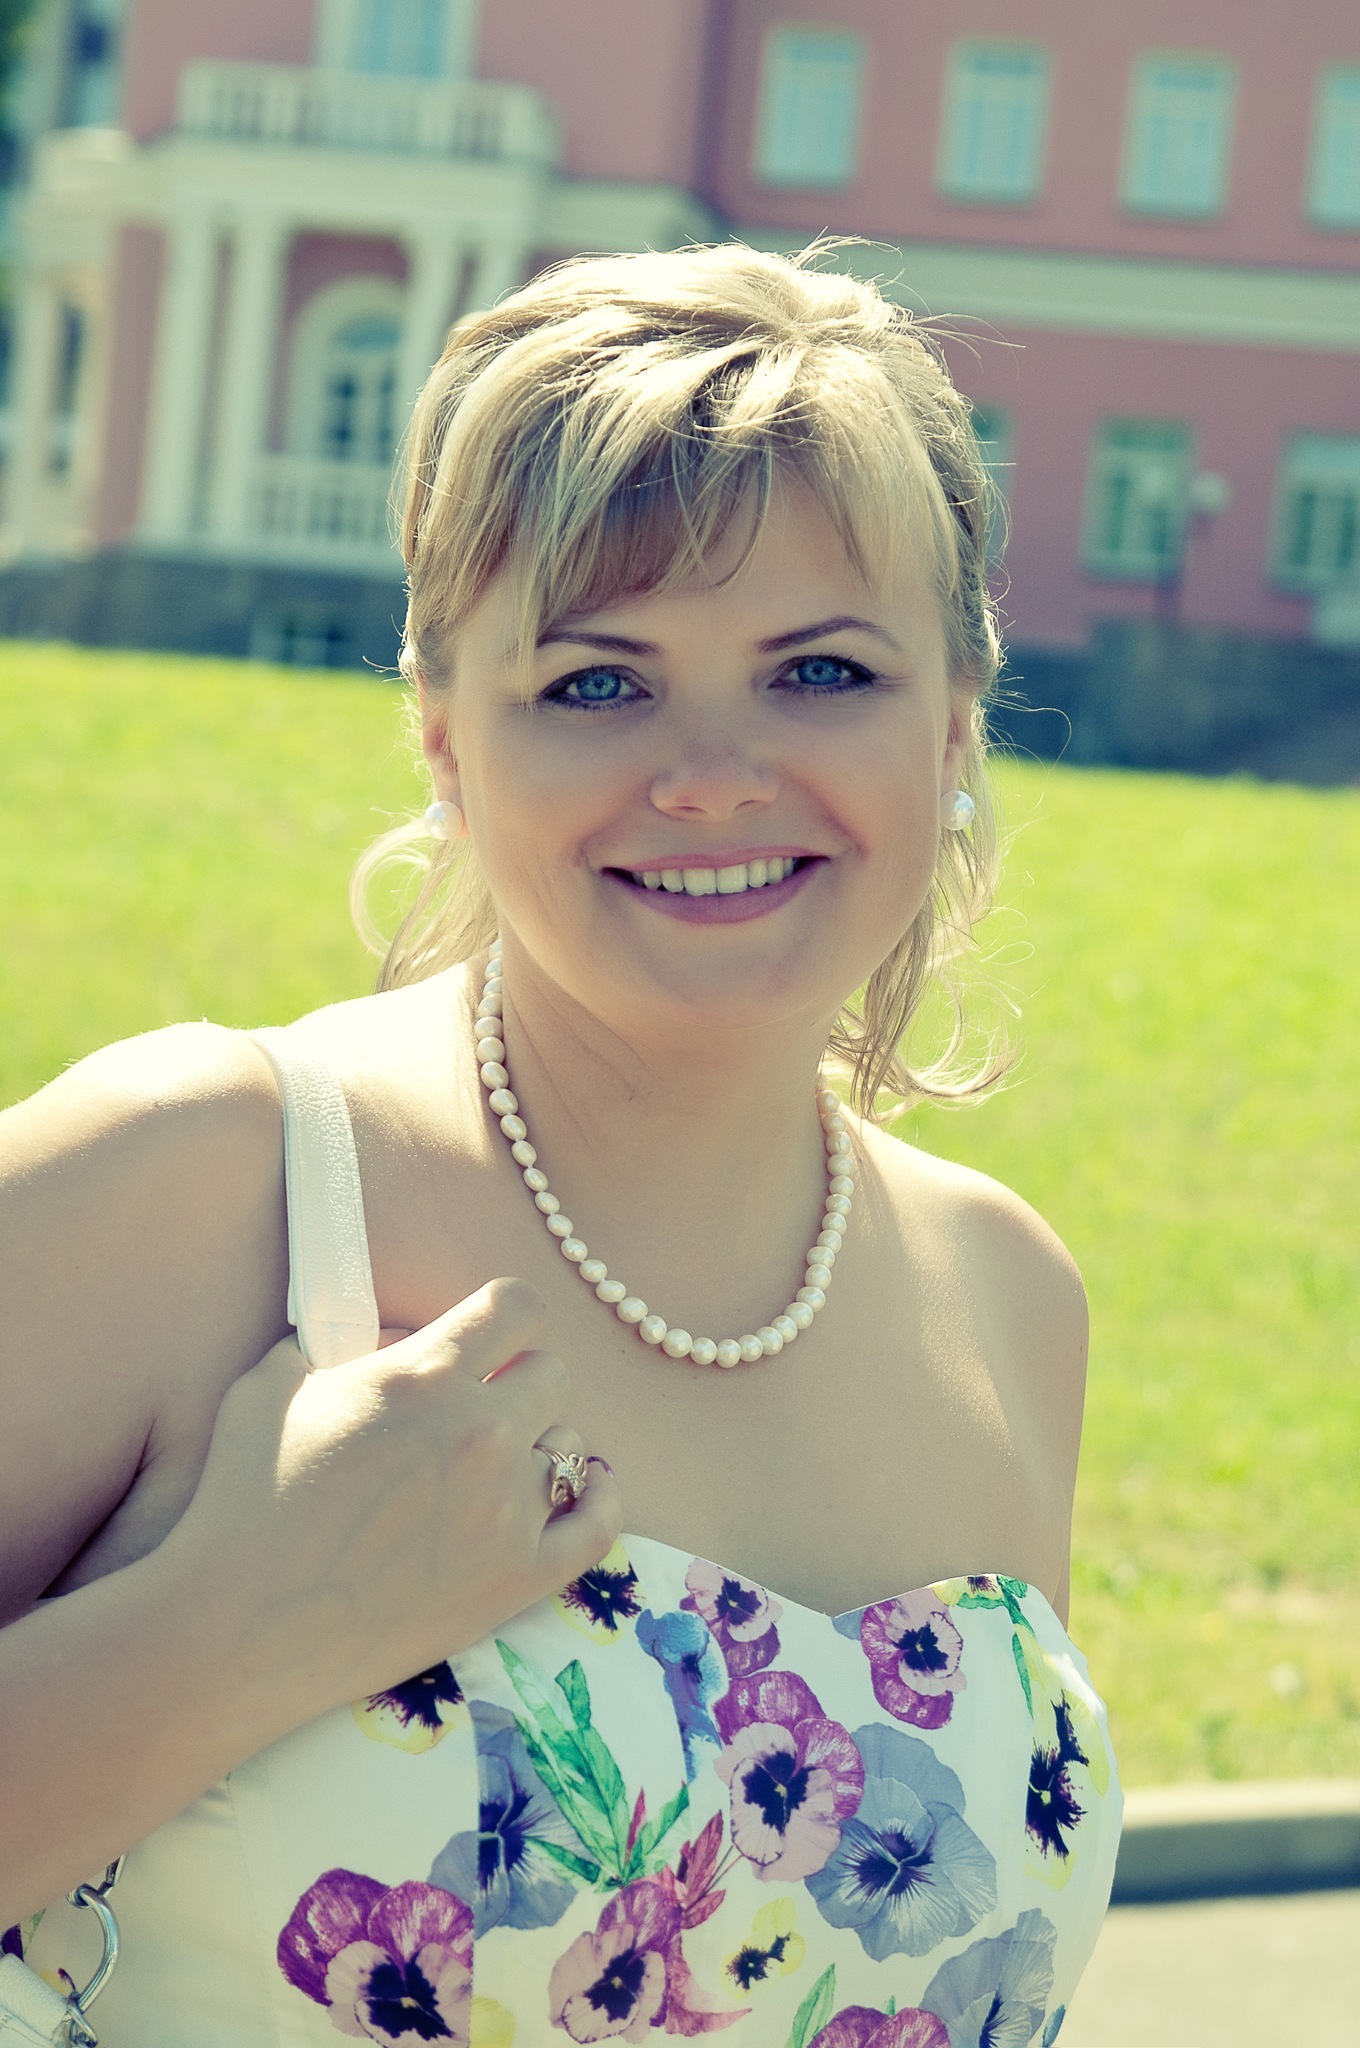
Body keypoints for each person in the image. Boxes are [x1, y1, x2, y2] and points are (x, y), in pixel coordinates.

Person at [0, 244, 1119, 2046]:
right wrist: (230, 1627)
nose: (713, 774)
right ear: (447, 742)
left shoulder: (1007, 1299)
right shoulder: (205, 1188)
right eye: (599, 685)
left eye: (823, 671)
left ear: (955, 721)